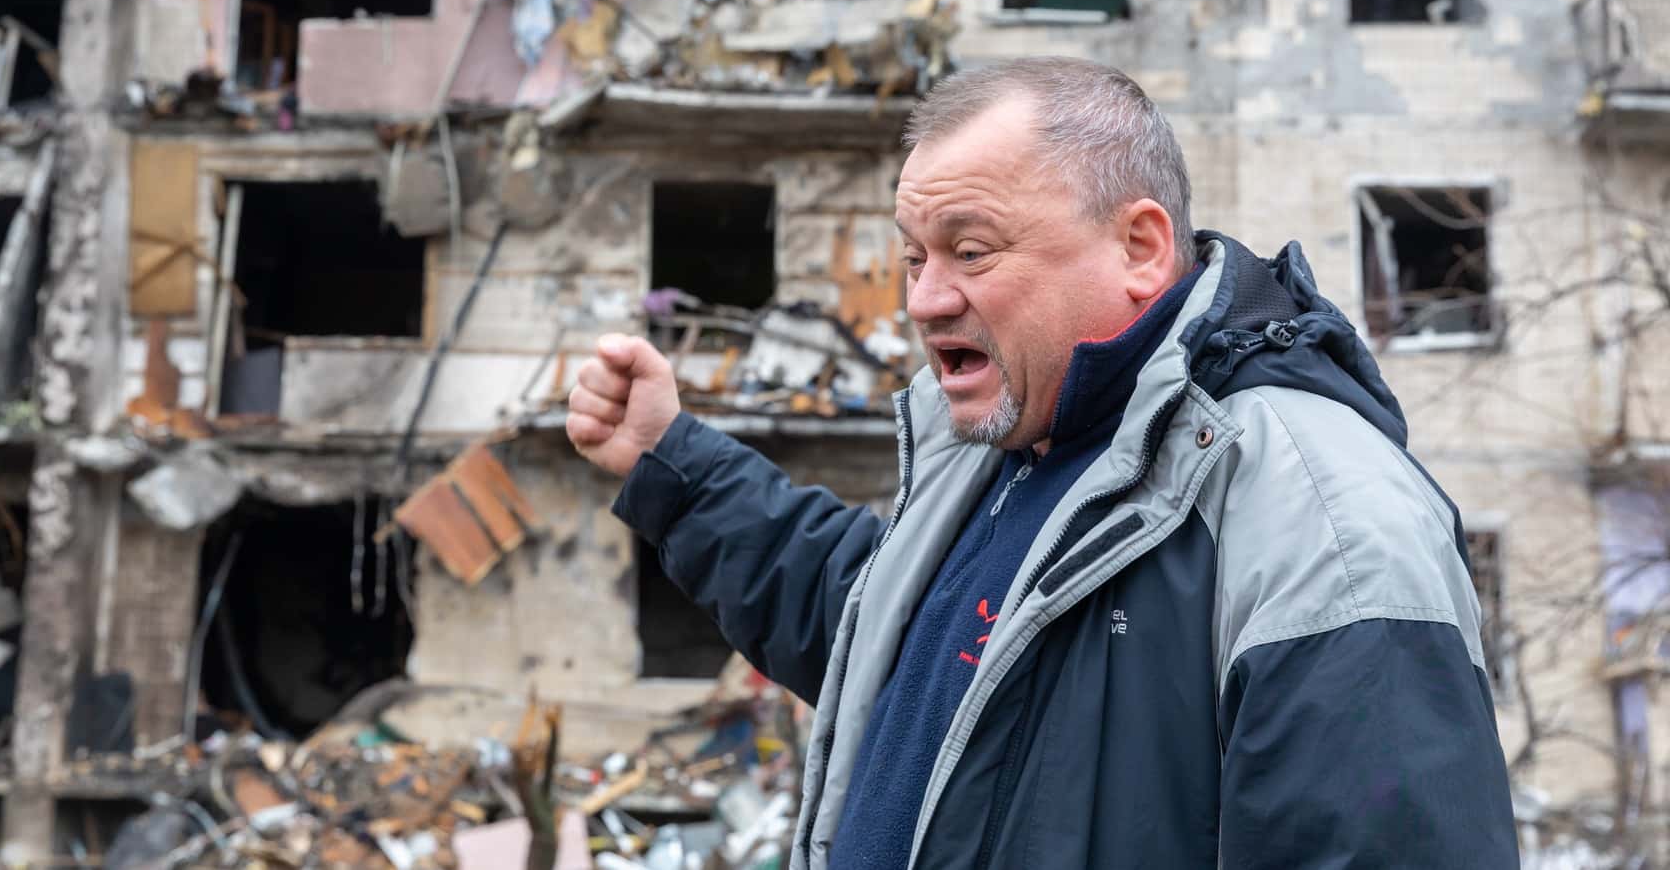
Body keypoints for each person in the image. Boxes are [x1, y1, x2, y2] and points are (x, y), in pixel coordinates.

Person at [566, 57, 1517, 869]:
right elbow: (880, 632)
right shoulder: (1016, 442)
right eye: (913, 258)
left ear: (1140, 247)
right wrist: (671, 461)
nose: (926, 300)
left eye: (970, 250)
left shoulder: (1319, 512)